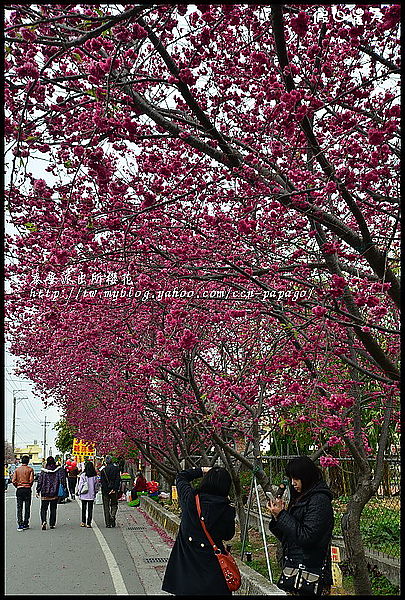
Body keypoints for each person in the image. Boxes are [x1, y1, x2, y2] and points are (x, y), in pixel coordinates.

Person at [162, 466, 236, 596]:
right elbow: (228, 535)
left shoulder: (190, 499)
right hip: (213, 575)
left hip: (186, 576)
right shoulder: (227, 509)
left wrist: (202, 470)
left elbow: (181, 477)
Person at [267, 456, 334, 596]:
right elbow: (287, 536)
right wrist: (278, 516)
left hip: (311, 572)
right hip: (295, 569)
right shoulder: (301, 497)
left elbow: (306, 537)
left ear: (306, 477)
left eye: (296, 479)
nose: (293, 483)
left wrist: (282, 516)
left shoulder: (319, 500)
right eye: (291, 479)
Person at [36, 456, 67, 530]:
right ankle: (52, 524)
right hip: (55, 492)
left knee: (43, 508)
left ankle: (43, 521)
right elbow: (62, 480)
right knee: (53, 508)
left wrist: (38, 490)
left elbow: (40, 481)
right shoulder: (58, 470)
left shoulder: (43, 471)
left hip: (45, 492)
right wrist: (65, 489)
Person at [12, 455, 34, 530]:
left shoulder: (17, 470)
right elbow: (31, 480)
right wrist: (29, 485)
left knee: (19, 507)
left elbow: (13, 481)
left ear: (21, 461)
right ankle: (26, 523)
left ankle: (20, 524)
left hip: (19, 489)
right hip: (27, 489)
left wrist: (17, 485)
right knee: (27, 507)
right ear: (28, 461)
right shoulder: (30, 469)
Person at [99, 455, 121, 528]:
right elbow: (118, 480)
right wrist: (114, 489)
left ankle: (108, 523)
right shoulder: (116, 469)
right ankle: (112, 516)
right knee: (114, 504)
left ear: (105, 462)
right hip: (114, 491)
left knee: (106, 507)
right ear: (112, 461)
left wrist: (107, 490)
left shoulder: (103, 471)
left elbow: (102, 482)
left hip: (105, 491)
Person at [77, 460, 99, 528]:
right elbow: (96, 485)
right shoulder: (95, 476)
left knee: (83, 508)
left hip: (84, 494)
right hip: (91, 494)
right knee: (90, 509)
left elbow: (80, 484)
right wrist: (95, 492)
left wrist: (79, 491)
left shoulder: (83, 475)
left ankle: (83, 522)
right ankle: (89, 523)